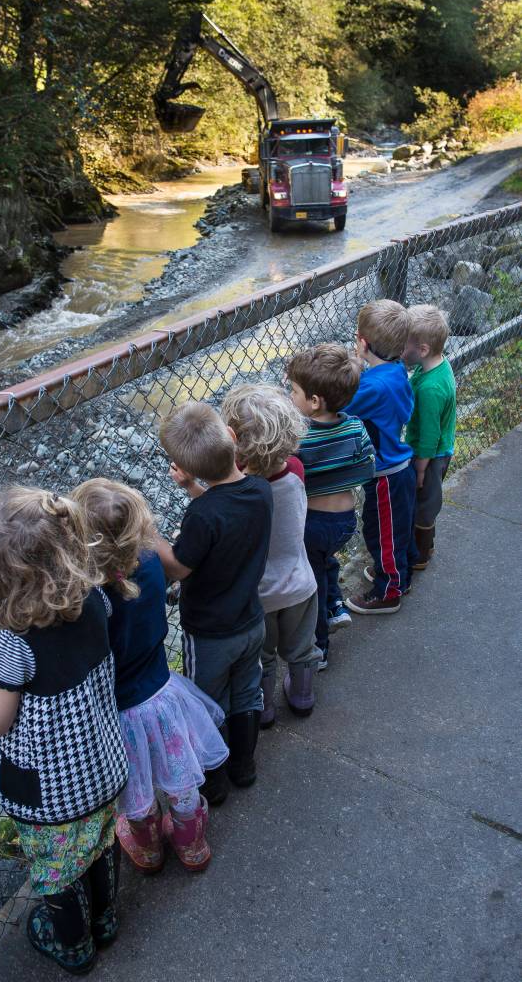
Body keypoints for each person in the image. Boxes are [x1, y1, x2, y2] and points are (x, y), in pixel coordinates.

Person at [0, 487, 128, 975]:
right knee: (99, 842)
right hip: (103, 766)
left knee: (57, 868)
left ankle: (73, 945)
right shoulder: (95, 602)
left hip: (50, 792)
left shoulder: (13, 645)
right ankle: (105, 920)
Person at [72, 478, 228, 875]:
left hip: (120, 711)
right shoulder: (153, 564)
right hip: (163, 694)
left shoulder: (91, 602)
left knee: (136, 790)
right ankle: (191, 845)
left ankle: (148, 848)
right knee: (180, 777)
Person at [155, 401, 273, 805]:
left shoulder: (202, 515)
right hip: (251, 621)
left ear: (187, 466)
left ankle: (215, 781)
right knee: (246, 693)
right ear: (234, 438)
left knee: (207, 702)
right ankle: (245, 766)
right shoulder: (260, 490)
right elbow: (229, 507)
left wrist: (150, 534)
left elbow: (179, 569)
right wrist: (193, 488)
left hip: (209, 634)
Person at [220, 383, 321, 726]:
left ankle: (263, 709)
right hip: (300, 584)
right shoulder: (295, 469)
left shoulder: (237, 492)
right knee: (302, 647)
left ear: (233, 441)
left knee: (262, 656)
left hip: (260, 594)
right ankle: (303, 696)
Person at [287, 345, 376, 664]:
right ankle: (337, 607)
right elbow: (368, 467)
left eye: (294, 390)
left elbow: (293, 478)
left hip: (313, 523)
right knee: (326, 560)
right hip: (345, 520)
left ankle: (319, 649)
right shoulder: (354, 427)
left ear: (314, 401)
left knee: (313, 583)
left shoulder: (300, 438)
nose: (290, 396)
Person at [341, 299, 416, 614]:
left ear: (362, 342)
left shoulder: (371, 387)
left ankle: (389, 590)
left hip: (384, 473)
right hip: (400, 468)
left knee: (381, 532)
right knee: (398, 530)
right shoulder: (398, 371)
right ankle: (401, 572)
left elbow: (341, 409)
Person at [402, 304, 457, 569]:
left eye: (403, 344)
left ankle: (419, 556)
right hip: (436, 449)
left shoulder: (431, 388)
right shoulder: (437, 365)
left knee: (425, 503)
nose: (399, 349)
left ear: (422, 350)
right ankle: (428, 544)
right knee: (427, 499)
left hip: (431, 455)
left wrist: (421, 468)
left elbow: (430, 434)